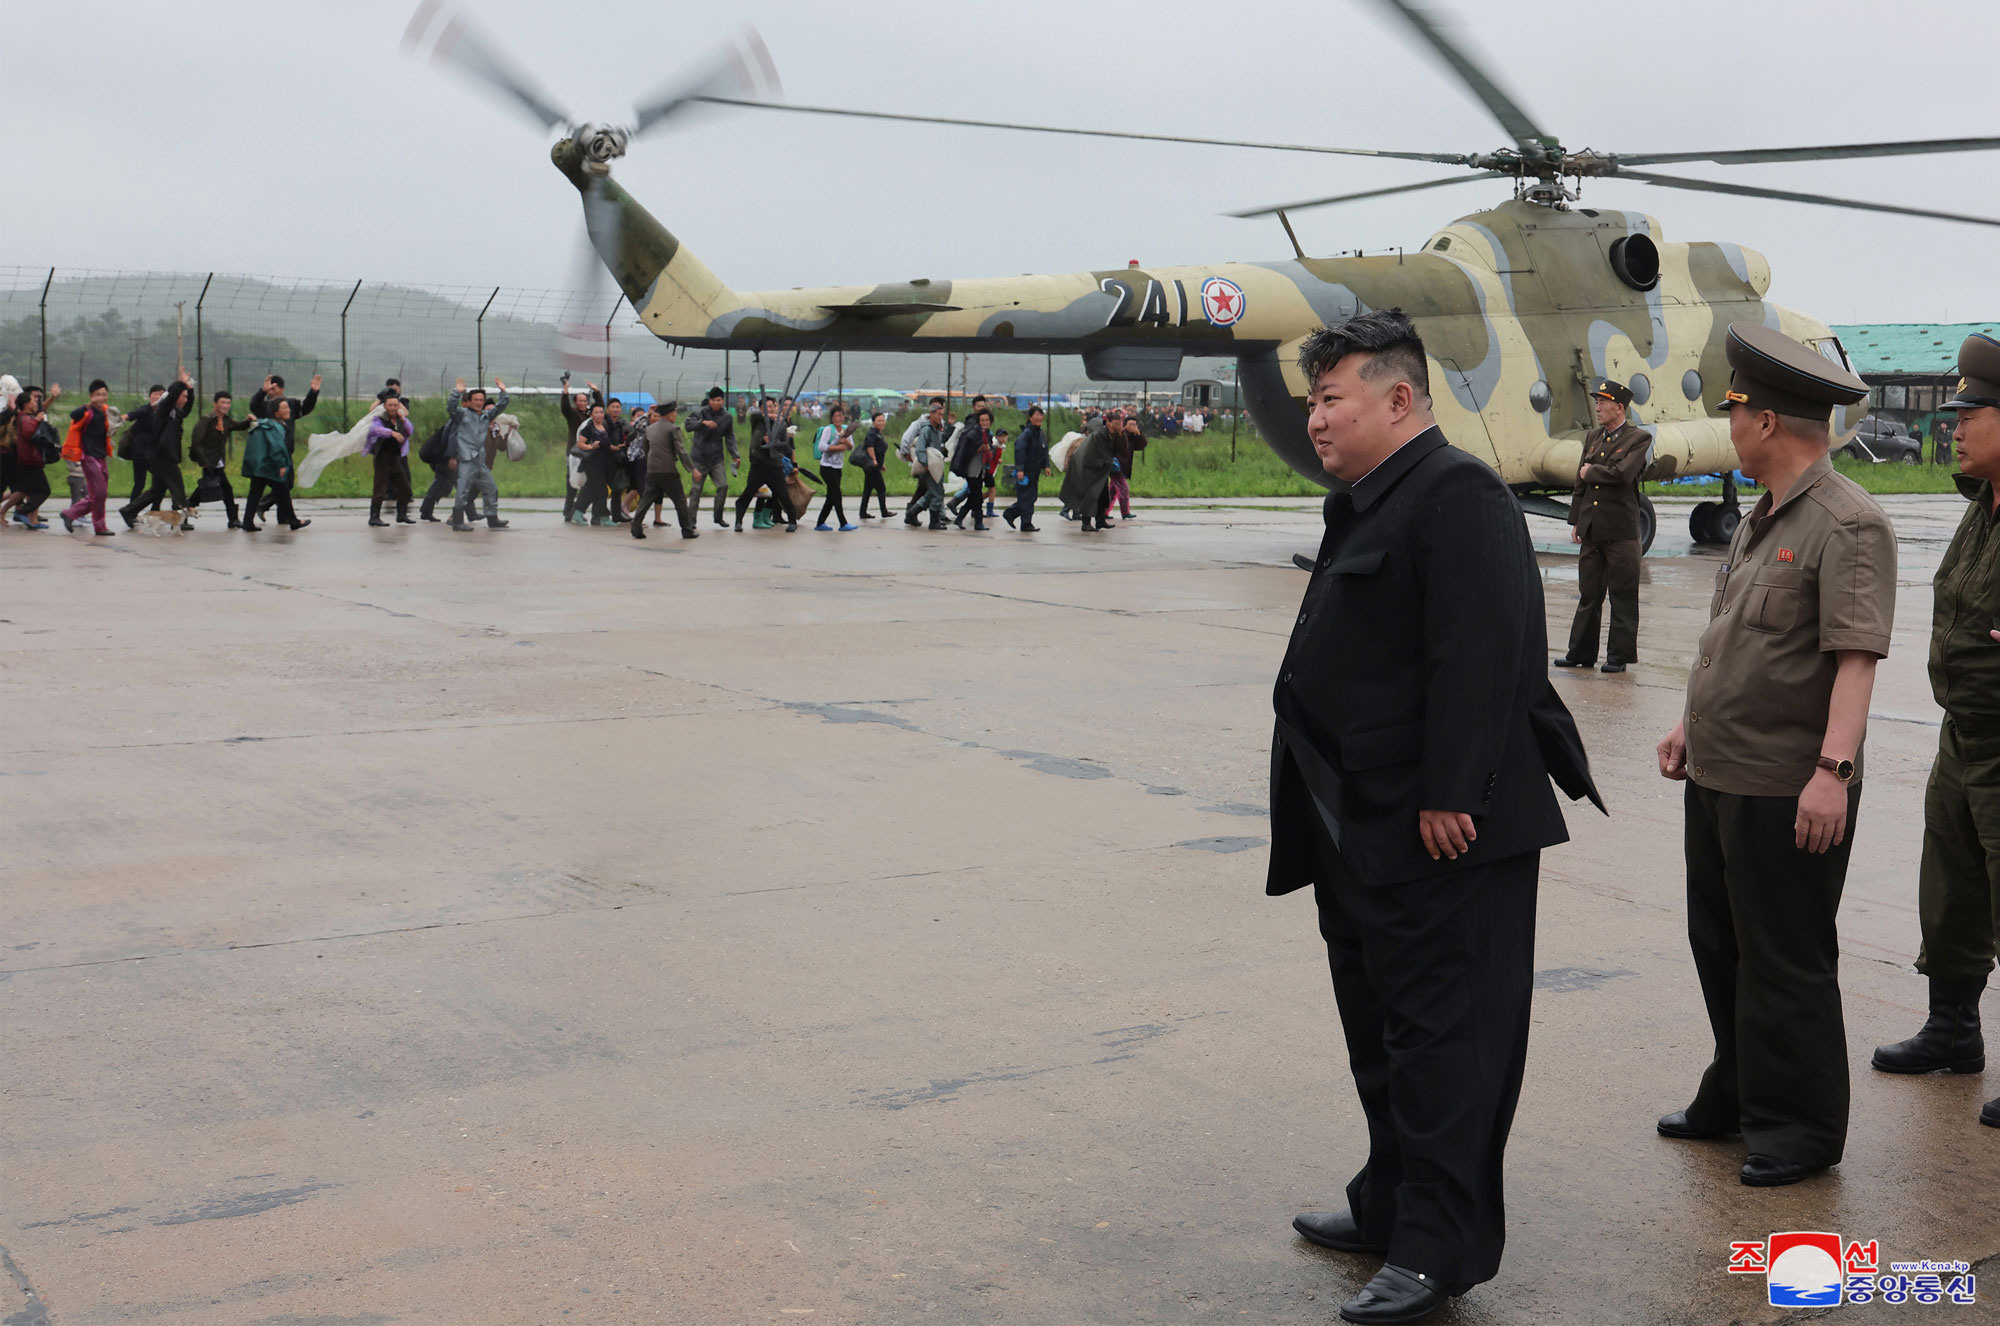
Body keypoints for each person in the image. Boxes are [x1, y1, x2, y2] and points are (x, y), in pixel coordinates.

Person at [1264, 312, 1599, 1325]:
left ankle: (1436, 1249)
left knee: (1446, 1044)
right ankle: (1388, 1205)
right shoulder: (1371, 502)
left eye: (1330, 399)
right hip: (1358, 827)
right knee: (1383, 1036)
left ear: (1397, 400)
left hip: (1438, 832)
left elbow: (1485, 655)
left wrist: (1453, 790)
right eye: (1312, 399)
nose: (1313, 417)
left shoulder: (1456, 497)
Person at [1653, 322, 1892, 1188]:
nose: (1730, 427)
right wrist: (1690, 724)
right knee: (1719, 947)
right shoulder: (1761, 517)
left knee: (1785, 957)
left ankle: (1800, 1126)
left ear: (1769, 421)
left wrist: (1832, 774)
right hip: (1721, 772)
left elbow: (1855, 660)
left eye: (1735, 412)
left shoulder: (1848, 523)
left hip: (1788, 785)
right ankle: (1740, 1091)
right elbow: (1738, 642)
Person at [1869, 332, 2000, 1130]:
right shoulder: (1980, 507)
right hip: (1965, 736)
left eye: (1971, 412)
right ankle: (1953, 1029)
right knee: (1950, 889)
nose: (1954, 425)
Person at [1554, 379, 1652, 673]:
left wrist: (1591, 470)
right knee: (1589, 595)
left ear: (1619, 407)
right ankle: (1581, 653)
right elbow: (1579, 482)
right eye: (1596, 401)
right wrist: (1576, 521)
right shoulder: (1593, 437)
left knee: (1622, 597)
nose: (1597, 407)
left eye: (1602, 402)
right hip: (1593, 530)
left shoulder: (1639, 438)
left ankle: (1618, 657)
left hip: (1621, 532)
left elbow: (1622, 474)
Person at [120, 373, 196, 529]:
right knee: (178, 487)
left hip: (166, 455)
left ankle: (128, 511)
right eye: (183, 396)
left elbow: (187, 410)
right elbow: (171, 395)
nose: (185, 399)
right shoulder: (165, 410)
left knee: (157, 490)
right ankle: (182, 521)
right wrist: (180, 384)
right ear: (174, 397)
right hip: (163, 456)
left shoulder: (177, 412)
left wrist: (190, 390)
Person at [246, 373, 321, 522]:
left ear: (282, 389)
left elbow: (305, 407)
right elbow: (253, 406)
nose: (271, 391)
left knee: (285, 485)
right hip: (271, 454)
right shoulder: (265, 406)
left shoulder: (290, 405)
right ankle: (270, 511)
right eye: (270, 388)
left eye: (274, 388)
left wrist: (313, 392)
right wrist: (262, 391)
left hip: (285, 452)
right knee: (279, 486)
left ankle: (280, 515)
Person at [445, 377, 510, 532]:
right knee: (463, 490)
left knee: (491, 488)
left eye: (481, 399)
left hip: (480, 460)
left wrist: (503, 391)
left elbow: (501, 406)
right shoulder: (462, 414)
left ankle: (492, 518)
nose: (479, 402)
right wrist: (457, 393)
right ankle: (458, 521)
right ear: (470, 400)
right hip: (467, 459)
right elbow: (451, 408)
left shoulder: (486, 416)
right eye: (476, 399)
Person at [631, 400, 699, 540]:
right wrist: (692, 469)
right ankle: (687, 530)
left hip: (652, 470)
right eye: (675, 412)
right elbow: (681, 451)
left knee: (646, 500)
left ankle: (636, 528)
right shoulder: (673, 429)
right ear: (670, 413)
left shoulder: (649, 429)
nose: (676, 414)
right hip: (668, 471)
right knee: (680, 500)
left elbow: (646, 449)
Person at [240, 399, 310, 532]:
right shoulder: (277, 427)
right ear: (276, 412)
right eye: (284, 408)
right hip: (271, 468)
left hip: (260, 467)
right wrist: (281, 465)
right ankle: (294, 521)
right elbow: (277, 447)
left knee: (255, 494)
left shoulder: (264, 423)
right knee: (283, 492)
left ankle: (247, 522)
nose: (288, 410)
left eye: (288, 407)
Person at [60, 380, 118, 536]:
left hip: (101, 456)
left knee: (100, 494)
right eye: (98, 394)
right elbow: (74, 415)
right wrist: (88, 405)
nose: (101, 397)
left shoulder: (107, 411)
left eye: (104, 394)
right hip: (89, 456)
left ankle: (70, 514)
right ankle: (98, 525)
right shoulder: (86, 411)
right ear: (91, 396)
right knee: (98, 493)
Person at [187, 390, 251, 528]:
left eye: (228, 402)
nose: (226, 405)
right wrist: (203, 462)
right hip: (208, 462)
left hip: (218, 462)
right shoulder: (207, 420)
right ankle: (233, 519)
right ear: (215, 403)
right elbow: (196, 442)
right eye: (222, 402)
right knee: (221, 489)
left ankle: (185, 509)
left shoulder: (226, 420)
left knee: (208, 489)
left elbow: (238, 426)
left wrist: (248, 421)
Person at [736, 395, 800, 532]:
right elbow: (753, 415)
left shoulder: (780, 424)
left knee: (782, 494)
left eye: (771, 406)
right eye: (765, 407)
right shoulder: (757, 421)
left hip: (774, 466)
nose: (769, 409)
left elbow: (785, 446)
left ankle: (792, 521)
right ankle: (738, 521)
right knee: (748, 494)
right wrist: (765, 415)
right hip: (758, 465)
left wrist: (772, 442)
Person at [3, 385, 58, 529]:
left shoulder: (28, 416)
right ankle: (22, 512)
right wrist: (37, 421)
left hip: (30, 458)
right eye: (34, 399)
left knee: (23, 490)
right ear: (26, 402)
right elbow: (28, 434)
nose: (37, 401)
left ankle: (22, 516)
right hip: (28, 459)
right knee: (43, 490)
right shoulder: (24, 418)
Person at [686, 386, 737, 527]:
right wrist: (702, 423)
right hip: (699, 458)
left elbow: (730, 437)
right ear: (709, 401)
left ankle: (718, 516)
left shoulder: (727, 417)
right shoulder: (699, 412)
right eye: (713, 400)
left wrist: (735, 455)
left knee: (723, 486)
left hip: (716, 458)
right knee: (696, 490)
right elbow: (688, 424)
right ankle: (691, 522)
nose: (716, 403)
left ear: (722, 401)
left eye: (719, 400)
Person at [1060, 410, 1116, 533]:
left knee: (1102, 496)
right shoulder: (1099, 435)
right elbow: (1092, 455)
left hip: (1100, 471)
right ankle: (1086, 523)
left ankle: (1100, 520)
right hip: (1090, 470)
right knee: (1090, 496)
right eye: (1114, 423)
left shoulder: (1106, 434)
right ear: (1108, 423)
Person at [899, 399, 951, 530]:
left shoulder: (937, 430)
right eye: (938, 415)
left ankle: (912, 513)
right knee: (936, 493)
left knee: (932, 493)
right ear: (931, 414)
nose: (940, 417)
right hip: (929, 467)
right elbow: (920, 448)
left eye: (941, 415)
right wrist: (925, 463)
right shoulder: (926, 430)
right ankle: (934, 521)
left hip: (936, 465)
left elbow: (940, 443)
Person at [366, 395, 417, 526]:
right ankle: (374, 517)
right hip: (382, 458)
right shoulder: (379, 418)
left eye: (396, 405)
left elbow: (410, 431)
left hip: (395, 458)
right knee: (380, 489)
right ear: (385, 406)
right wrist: (392, 433)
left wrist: (403, 420)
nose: (393, 408)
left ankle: (401, 515)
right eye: (391, 405)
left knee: (404, 488)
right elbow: (375, 430)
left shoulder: (400, 419)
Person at [1003, 405, 1050, 531]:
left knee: (1031, 498)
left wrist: (1046, 466)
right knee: (1027, 498)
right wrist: (1020, 469)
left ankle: (1010, 514)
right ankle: (1026, 523)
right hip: (1026, 471)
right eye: (1036, 415)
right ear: (1030, 417)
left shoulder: (1040, 433)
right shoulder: (1027, 433)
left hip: (1035, 472)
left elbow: (1044, 451)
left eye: (1041, 415)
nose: (1039, 417)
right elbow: (1019, 449)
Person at [812, 404, 856, 531]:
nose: (839, 418)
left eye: (841, 415)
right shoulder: (828, 430)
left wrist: (845, 441)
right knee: (837, 494)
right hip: (827, 467)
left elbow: (851, 446)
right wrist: (837, 447)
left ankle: (820, 523)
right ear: (832, 418)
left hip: (838, 467)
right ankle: (843, 523)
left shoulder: (846, 430)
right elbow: (821, 446)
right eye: (837, 416)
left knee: (831, 496)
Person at [948, 408, 992, 530]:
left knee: (974, 496)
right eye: (982, 420)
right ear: (978, 421)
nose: (985, 422)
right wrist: (979, 449)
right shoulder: (973, 434)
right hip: (972, 470)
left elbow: (991, 449)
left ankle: (960, 518)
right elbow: (965, 452)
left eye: (987, 420)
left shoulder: (988, 434)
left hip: (981, 469)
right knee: (977, 497)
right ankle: (978, 523)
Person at [573, 400, 613, 526]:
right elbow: (580, 444)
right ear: (591, 415)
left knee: (594, 489)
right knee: (599, 489)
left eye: (601, 412)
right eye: (596, 412)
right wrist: (591, 446)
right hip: (592, 463)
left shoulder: (605, 426)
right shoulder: (588, 427)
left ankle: (579, 512)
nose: (599, 414)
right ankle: (603, 517)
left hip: (604, 464)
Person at [853, 410, 893, 520]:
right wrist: (874, 460)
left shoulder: (877, 433)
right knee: (881, 488)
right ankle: (884, 512)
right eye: (879, 421)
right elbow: (869, 446)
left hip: (875, 466)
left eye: (883, 421)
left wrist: (881, 464)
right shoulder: (872, 433)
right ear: (873, 422)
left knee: (868, 489)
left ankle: (862, 512)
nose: (881, 423)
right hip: (872, 466)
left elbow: (878, 449)